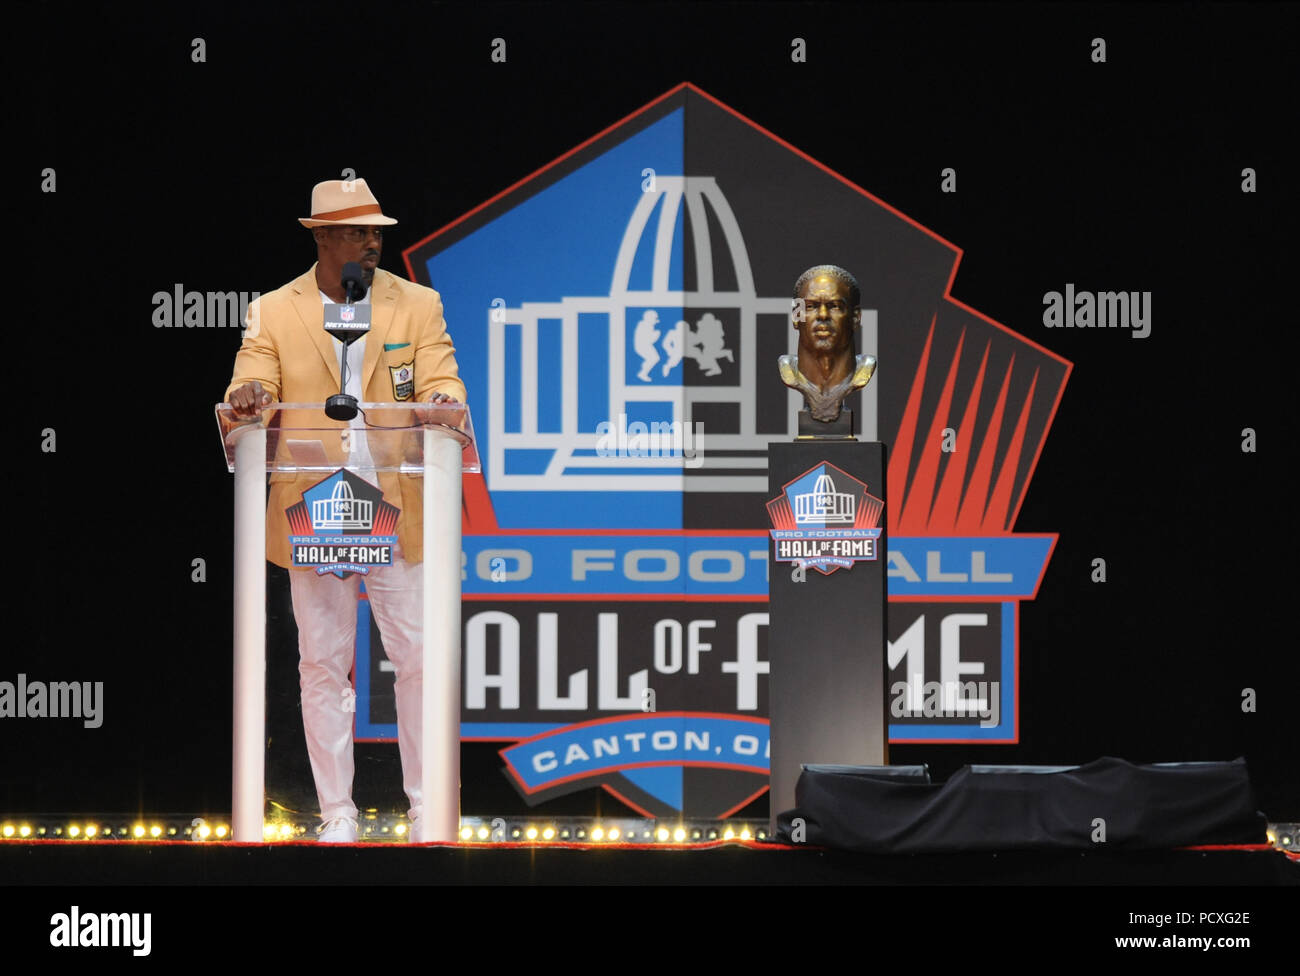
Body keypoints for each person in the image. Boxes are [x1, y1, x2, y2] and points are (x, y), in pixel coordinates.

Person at [225, 178, 466, 842]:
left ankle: (426, 814)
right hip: (317, 505)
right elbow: (254, 379)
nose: (372, 242)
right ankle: (337, 815)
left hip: (399, 501)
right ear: (322, 237)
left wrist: (440, 401)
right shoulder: (275, 310)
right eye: (358, 231)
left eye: (377, 232)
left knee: (417, 659)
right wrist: (248, 397)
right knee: (322, 663)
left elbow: (441, 375)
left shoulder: (417, 303)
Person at [779, 264, 876, 423]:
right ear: (796, 317)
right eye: (811, 306)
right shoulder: (789, 373)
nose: (823, 315)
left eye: (835, 306)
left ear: (855, 317)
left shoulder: (863, 372)